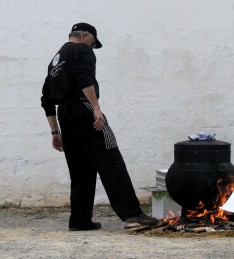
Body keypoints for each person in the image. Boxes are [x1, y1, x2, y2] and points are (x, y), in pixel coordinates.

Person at [40, 22, 160, 231]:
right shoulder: (82, 50)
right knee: (110, 158)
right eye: (93, 43)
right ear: (85, 35)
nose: (92, 48)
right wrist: (96, 108)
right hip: (84, 108)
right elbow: (85, 77)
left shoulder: (54, 61)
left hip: (65, 115)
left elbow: (46, 98)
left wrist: (55, 131)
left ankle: (80, 221)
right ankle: (132, 214)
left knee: (80, 169)